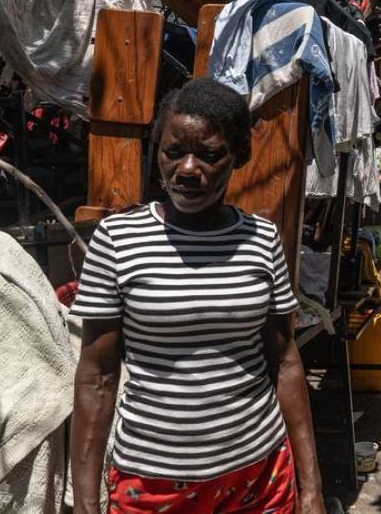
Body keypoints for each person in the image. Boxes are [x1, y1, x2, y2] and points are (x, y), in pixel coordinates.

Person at [70, 79, 325, 514]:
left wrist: (312, 489)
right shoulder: (117, 241)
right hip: (152, 486)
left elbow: (284, 362)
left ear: (239, 156)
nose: (187, 169)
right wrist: (85, 505)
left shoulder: (262, 240)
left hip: (259, 480)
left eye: (208, 155)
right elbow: (97, 378)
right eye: (173, 153)